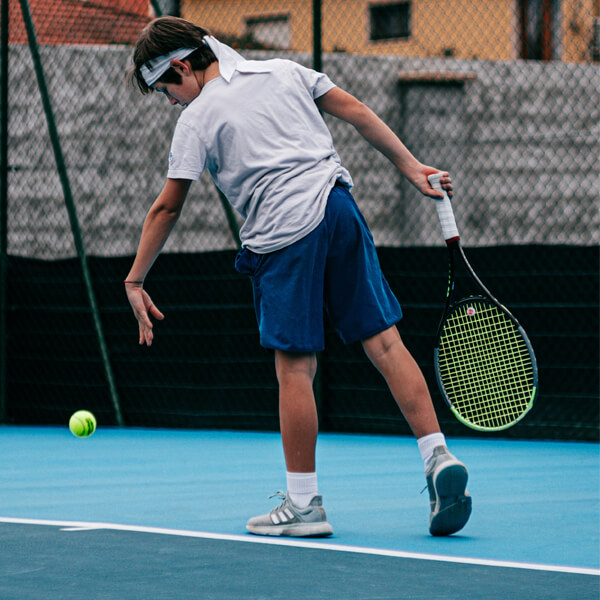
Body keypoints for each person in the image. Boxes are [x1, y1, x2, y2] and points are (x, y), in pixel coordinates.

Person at [124, 16, 472, 538]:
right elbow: (354, 110)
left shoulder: (196, 119)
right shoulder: (284, 71)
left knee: (295, 368)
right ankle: (437, 455)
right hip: (339, 207)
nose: (170, 101)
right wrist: (411, 165)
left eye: (165, 89)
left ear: (181, 67)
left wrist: (134, 280)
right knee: (385, 343)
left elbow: (166, 209)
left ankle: (305, 504)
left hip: (284, 233)